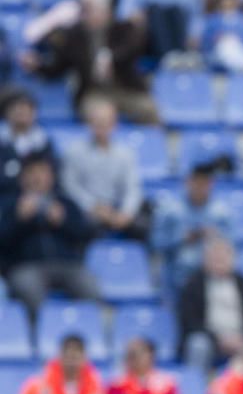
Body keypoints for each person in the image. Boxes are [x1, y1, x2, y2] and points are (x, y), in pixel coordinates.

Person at [20, 0, 159, 124]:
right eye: (83, 9)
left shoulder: (124, 29)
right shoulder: (74, 35)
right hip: (93, 92)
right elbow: (59, 66)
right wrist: (38, 66)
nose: (84, 14)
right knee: (102, 115)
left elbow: (132, 50)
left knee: (149, 109)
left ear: (105, 10)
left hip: (126, 89)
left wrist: (111, 59)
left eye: (89, 9)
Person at [0, 154, 98, 320]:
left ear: (51, 177)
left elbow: (85, 233)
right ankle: (42, 334)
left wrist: (63, 221)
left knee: (90, 288)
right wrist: (18, 219)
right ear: (23, 178)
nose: (37, 178)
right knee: (30, 289)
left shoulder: (64, 202)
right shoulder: (10, 204)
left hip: (67, 264)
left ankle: (92, 334)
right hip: (26, 266)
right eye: (32, 172)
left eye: (43, 172)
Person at [61, 97, 147, 240]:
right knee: (79, 225)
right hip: (87, 211)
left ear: (114, 124)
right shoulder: (74, 151)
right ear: (90, 123)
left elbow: (132, 188)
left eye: (106, 121)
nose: (102, 126)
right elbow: (70, 186)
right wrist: (93, 207)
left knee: (142, 225)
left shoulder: (125, 154)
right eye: (97, 121)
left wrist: (126, 213)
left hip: (117, 208)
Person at [179, 236, 243, 371]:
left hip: (241, 336)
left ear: (233, 259)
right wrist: (218, 339)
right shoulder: (194, 284)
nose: (219, 261)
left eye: (223, 257)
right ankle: (195, 387)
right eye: (215, 257)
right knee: (197, 344)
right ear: (205, 260)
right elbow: (190, 320)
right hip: (210, 338)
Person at [151, 162, 233, 290]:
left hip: (213, 280)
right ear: (188, 182)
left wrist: (216, 238)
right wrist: (180, 238)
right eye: (197, 183)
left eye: (204, 183)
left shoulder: (221, 213)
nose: (200, 188)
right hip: (177, 279)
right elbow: (156, 243)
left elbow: (233, 247)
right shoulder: (171, 211)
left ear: (211, 184)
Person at [116, 0, 206, 60]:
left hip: (182, 43)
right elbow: (123, 14)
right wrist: (138, 18)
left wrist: (194, 36)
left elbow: (198, 21)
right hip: (147, 41)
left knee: (175, 13)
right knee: (156, 12)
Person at [0, 89, 55, 198]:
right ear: (7, 113)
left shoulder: (44, 142)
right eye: (16, 109)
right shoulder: (2, 141)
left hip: (40, 197)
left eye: (26, 110)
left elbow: (50, 176)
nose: (21, 114)